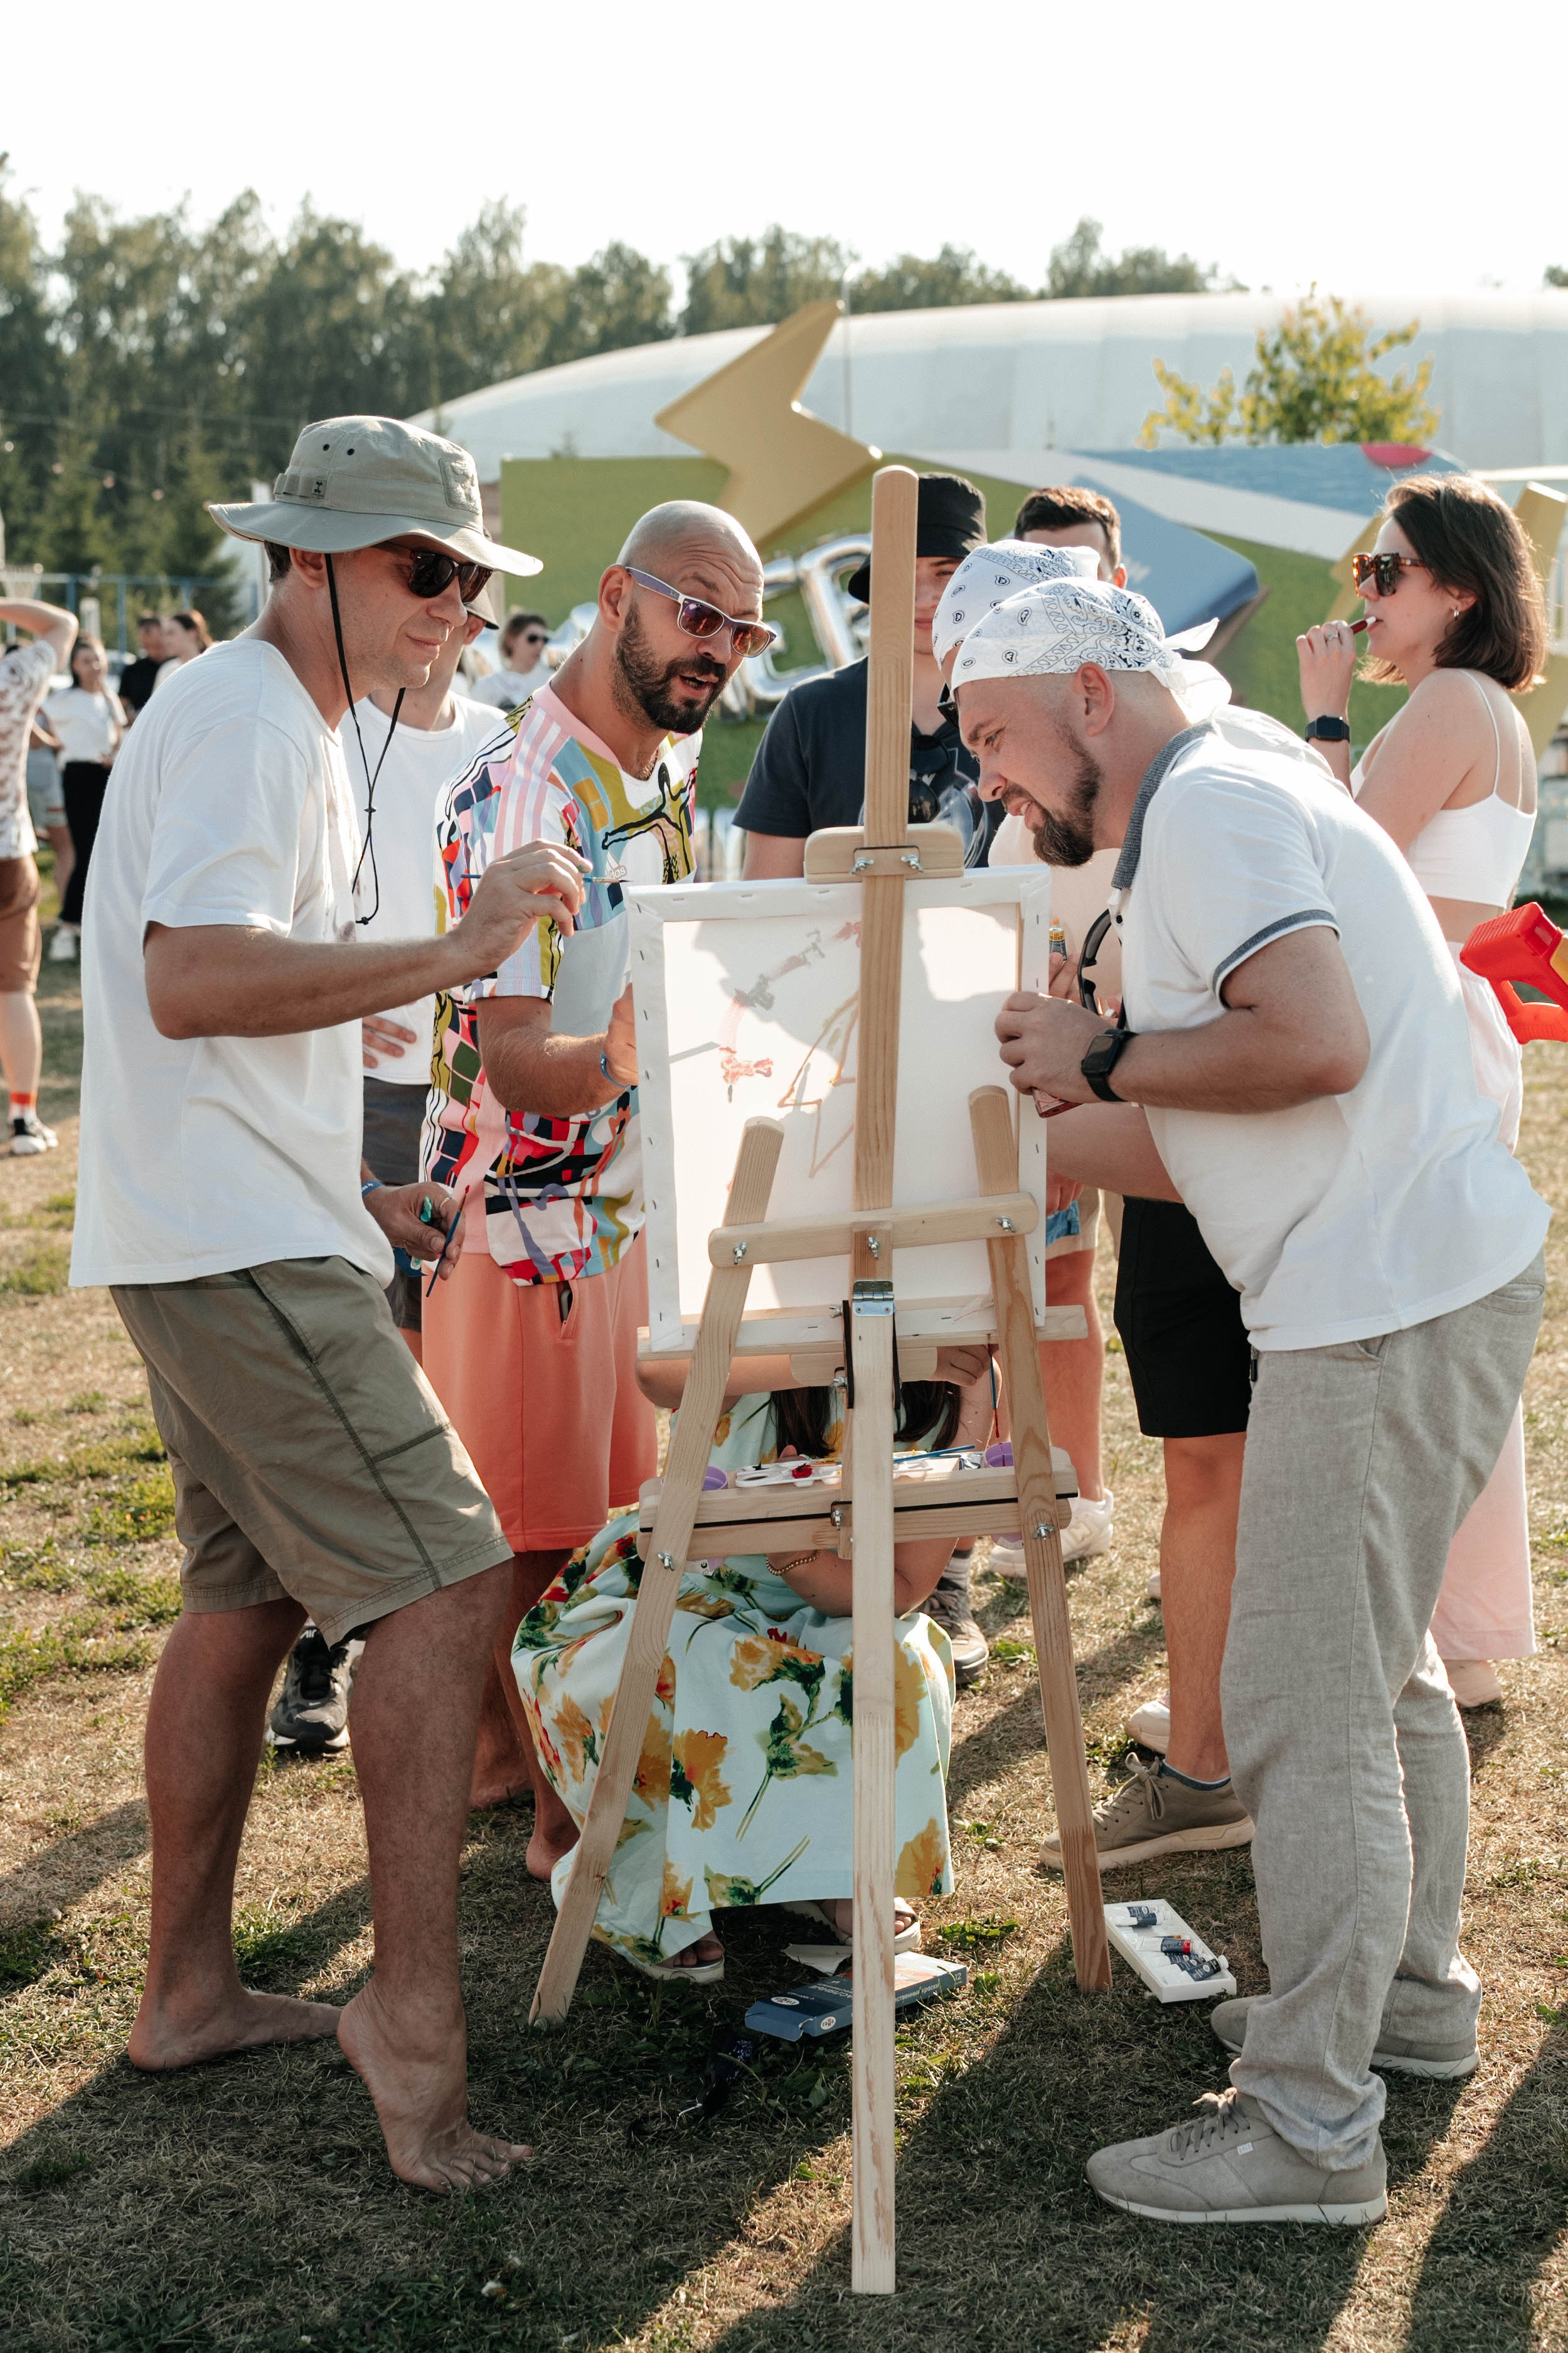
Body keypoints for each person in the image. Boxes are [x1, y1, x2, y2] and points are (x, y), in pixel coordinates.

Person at [960, 574, 1547, 2225]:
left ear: (1088, 691)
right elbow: (1216, 1120)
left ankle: (1305, 2123)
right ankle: (1403, 2004)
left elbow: (1313, 1040)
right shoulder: (1242, 779)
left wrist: (1098, 1052)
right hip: (1413, 1273)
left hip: (1381, 1297)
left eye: (998, 738)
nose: (998, 780)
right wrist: (1013, 1123)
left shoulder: (1206, 803)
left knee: (1304, 1702)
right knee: (1381, 1673)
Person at [70, 412, 590, 2194]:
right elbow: (194, 973)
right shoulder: (241, 719)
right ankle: (414, 2029)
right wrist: (459, 951)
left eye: (467, 574)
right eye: (418, 567)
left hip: (227, 1214)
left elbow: (220, 994)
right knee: (448, 1581)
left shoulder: (279, 719)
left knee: (245, 1597)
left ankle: (188, 1991)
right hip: (229, 1236)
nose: (453, 602)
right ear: (306, 558)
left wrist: (358, 1169)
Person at [422, 500, 774, 1828]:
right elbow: (516, 1062)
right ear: (616, 591)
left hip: (615, 1212)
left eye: (741, 627)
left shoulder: (665, 767)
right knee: (532, 1534)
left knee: (598, 1518)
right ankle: (562, 1819)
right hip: (520, 1222)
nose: (720, 648)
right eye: (697, 612)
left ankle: (527, 1775)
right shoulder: (525, 788)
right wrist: (640, 1046)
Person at [1298, 474, 1547, 1712]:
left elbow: (1338, 867)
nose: (1367, 594)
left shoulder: (1449, 699)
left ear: (1457, 589)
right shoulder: (1485, 706)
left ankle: (1426, 1632)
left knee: (1398, 1328)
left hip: (1416, 1027)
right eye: (1364, 571)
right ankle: (1456, 1627)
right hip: (1451, 1025)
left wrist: (1325, 718)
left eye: (1387, 572)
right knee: (1436, 1323)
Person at [515, 1353, 989, 1978]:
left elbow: (902, 1585)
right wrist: (824, 1351)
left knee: (895, 1660)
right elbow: (656, 1373)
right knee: (674, 1664)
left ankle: (829, 1865)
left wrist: (796, 1554)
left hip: (841, 1591)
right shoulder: (761, 1302)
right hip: (687, 1582)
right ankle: (648, 1891)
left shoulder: (965, 1369)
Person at [268, 603, 509, 1761]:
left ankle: (470, 1661)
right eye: (429, 591)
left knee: (445, 1361)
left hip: (479, 1092)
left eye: (466, 604)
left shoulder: (505, 739)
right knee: (352, 1367)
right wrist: (342, 992)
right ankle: (322, 1645)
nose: (443, 624)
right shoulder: (323, 731)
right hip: (370, 1088)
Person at [932, 534, 1120, 1590]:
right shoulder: (1026, 823)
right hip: (1070, 1090)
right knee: (1051, 1284)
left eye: (995, 722)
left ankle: (1076, 1489)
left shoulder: (1117, 794)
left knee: (1089, 1293)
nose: (986, 765)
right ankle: (1037, 1489)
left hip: (1144, 1085)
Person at [0, 594, 77, 1155]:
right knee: (15, 989)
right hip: (10, 848)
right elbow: (62, 624)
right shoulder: (12, 678)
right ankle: (23, 1117)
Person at [41, 635, 125, 958]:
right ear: (75, 666)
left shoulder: (108, 697)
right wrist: (53, 742)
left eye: (98, 659)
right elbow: (34, 713)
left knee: (105, 849)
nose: (95, 666)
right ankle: (67, 927)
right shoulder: (65, 699)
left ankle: (92, 925)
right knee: (85, 849)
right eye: (86, 661)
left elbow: (117, 729)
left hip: (105, 775)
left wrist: (113, 752)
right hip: (78, 776)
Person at [26, 717, 75, 921]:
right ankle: (64, 912)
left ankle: (63, 911)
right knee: (64, 847)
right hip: (40, 776)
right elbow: (35, 738)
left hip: (36, 777)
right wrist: (58, 743)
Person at [471, 609, 552, 709]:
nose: (540, 645)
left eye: (545, 640)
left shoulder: (551, 682)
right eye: (532, 638)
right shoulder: (487, 685)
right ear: (512, 639)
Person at [117, 613, 168, 722]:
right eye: (142, 633)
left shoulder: (177, 665)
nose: (145, 637)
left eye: (149, 631)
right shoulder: (132, 671)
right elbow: (121, 710)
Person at [153, 608, 211, 690]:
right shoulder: (167, 670)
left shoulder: (211, 667)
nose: (165, 640)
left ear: (192, 633)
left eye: (171, 633)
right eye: (164, 634)